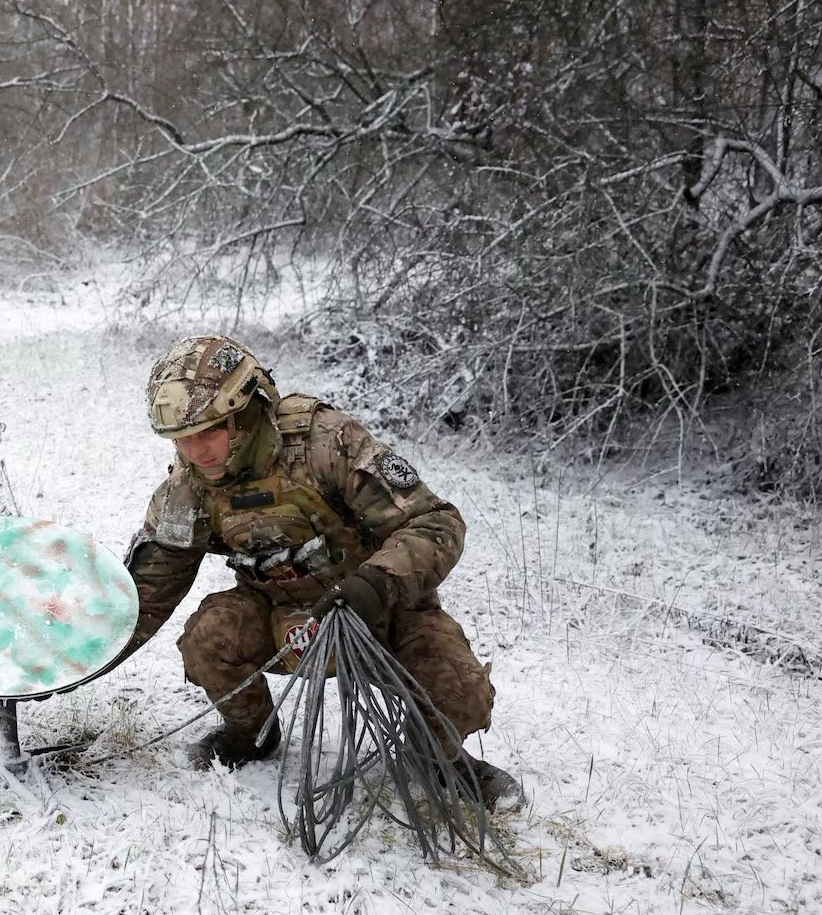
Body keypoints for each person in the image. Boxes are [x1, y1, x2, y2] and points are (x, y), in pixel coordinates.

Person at [118, 334, 521, 810]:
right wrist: (68, 663)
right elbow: (149, 589)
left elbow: (436, 522)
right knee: (209, 638)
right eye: (182, 439)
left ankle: (438, 758)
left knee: (458, 690)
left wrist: (375, 584)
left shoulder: (326, 444)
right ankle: (251, 736)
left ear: (245, 413)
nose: (196, 451)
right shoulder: (188, 488)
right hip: (280, 614)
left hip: (378, 607)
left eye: (210, 432)